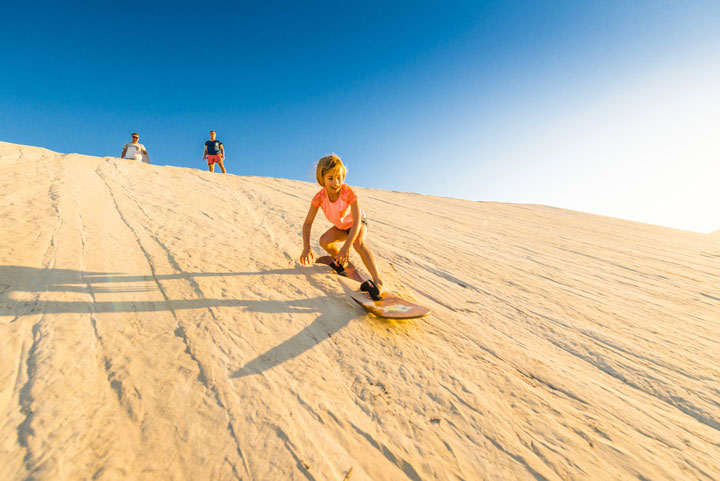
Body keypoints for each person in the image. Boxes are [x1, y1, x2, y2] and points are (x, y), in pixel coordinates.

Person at [299, 154, 384, 299]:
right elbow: (307, 224)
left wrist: (346, 248)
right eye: (330, 178)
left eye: (339, 177)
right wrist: (306, 246)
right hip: (341, 227)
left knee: (358, 244)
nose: (336, 182)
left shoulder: (348, 192)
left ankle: (378, 282)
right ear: (322, 180)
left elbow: (357, 221)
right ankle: (342, 263)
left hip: (358, 223)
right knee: (324, 241)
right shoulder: (319, 197)